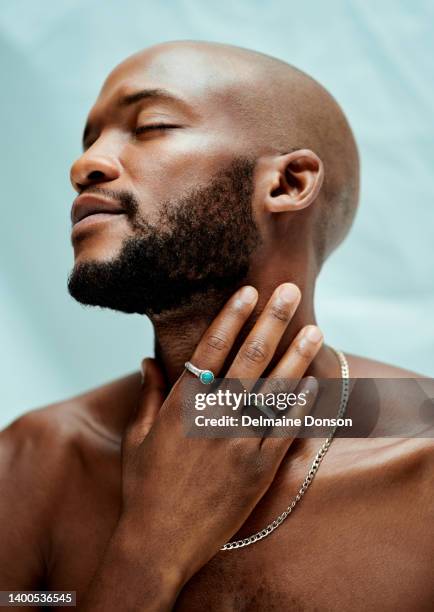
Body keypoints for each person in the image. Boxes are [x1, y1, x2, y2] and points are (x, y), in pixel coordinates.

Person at [0, 41, 433, 611]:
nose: (85, 166)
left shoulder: (421, 460)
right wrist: (149, 550)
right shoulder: (39, 460)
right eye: (88, 141)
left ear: (288, 184)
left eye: (150, 125)